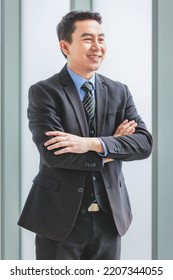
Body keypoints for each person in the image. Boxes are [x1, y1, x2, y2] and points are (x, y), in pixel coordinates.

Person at [18, 11, 152, 260]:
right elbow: (53, 155)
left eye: (101, 39)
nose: (97, 47)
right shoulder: (45, 92)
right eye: (88, 39)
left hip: (110, 220)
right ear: (65, 46)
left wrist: (89, 144)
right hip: (59, 221)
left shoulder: (119, 91)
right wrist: (112, 148)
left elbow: (143, 144)